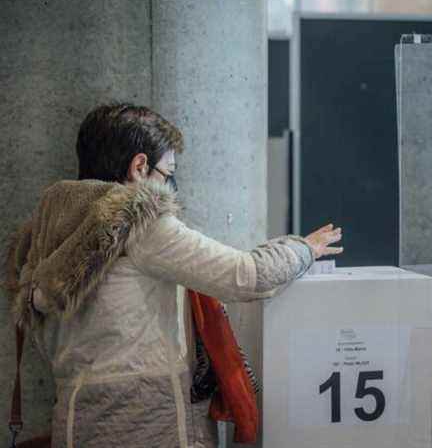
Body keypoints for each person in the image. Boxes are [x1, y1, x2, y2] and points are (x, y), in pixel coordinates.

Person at [4, 103, 343, 447]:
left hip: (76, 419)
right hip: (147, 418)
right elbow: (246, 274)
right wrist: (304, 249)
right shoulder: (140, 223)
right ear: (139, 166)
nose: (172, 186)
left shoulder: (42, 232)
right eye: (169, 174)